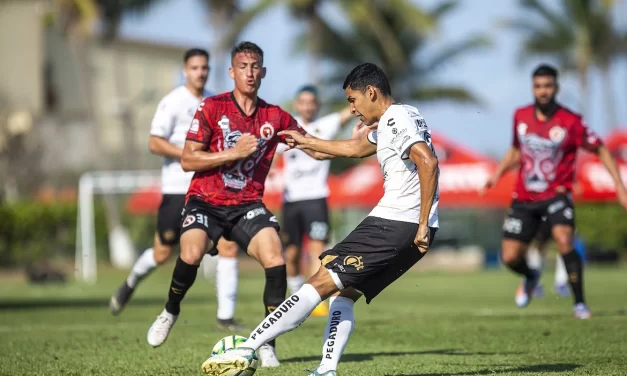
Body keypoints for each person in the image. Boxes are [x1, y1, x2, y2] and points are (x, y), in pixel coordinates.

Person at [201, 62, 440, 376]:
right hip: (409, 226)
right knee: (345, 292)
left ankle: (246, 348)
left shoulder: (396, 117)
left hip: (395, 222)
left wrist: (421, 221)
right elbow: (354, 147)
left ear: (371, 92)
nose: (351, 109)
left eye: (353, 100)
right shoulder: (396, 120)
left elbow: (428, 161)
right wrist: (305, 140)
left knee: (319, 281)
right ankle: (326, 369)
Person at [145, 41, 307, 368]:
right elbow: (189, 160)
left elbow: (311, 145)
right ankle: (170, 311)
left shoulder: (274, 116)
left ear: (263, 72)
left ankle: (266, 342)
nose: (249, 73)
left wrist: (360, 142)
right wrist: (234, 152)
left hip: (247, 204)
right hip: (205, 201)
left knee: (275, 258)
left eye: (255, 67)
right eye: (242, 67)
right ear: (232, 72)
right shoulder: (211, 107)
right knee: (190, 253)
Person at [109, 48, 246, 332]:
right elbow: (154, 143)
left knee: (228, 245)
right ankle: (129, 284)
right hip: (176, 189)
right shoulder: (172, 102)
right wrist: (188, 154)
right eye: (195, 68)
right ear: (185, 70)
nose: (201, 72)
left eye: (205, 68)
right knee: (162, 254)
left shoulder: (215, 101)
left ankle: (226, 317)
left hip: (210, 192)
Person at [482, 64, 627, 319]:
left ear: (556, 87)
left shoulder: (571, 121)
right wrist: (497, 174)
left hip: (557, 195)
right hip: (524, 197)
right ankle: (531, 276)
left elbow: (601, 148)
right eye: (538, 86)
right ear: (533, 88)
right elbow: (516, 150)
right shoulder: (521, 116)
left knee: (563, 240)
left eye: (548, 86)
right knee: (510, 256)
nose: (543, 91)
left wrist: (619, 186)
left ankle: (579, 304)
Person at [276, 85, 352, 316]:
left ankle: (316, 299)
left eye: (312, 102)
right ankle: (296, 294)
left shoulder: (325, 125)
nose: (308, 106)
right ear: (297, 104)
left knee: (318, 249)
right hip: (291, 200)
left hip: (317, 198)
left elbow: (349, 110)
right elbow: (268, 153)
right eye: (303, 102)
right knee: (292, 253)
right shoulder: (288, 128)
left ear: (317, 105)